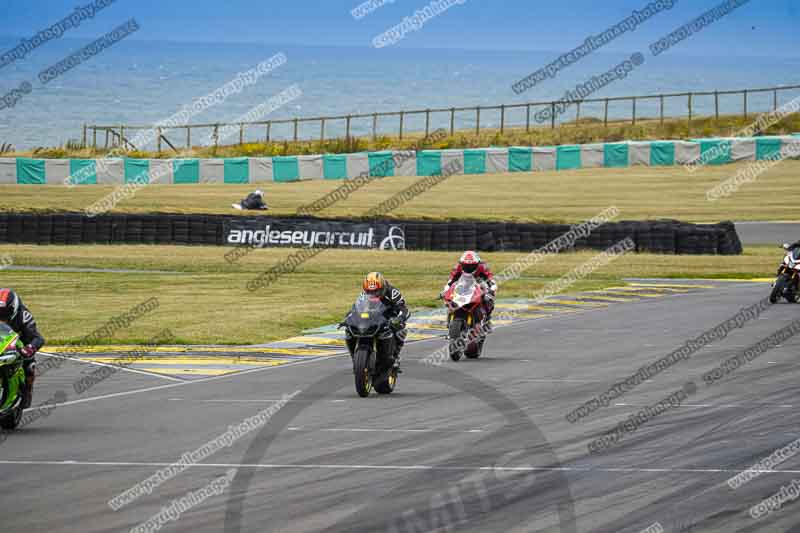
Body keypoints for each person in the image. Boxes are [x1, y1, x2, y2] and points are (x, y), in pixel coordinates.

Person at [344, 272, 409, 370]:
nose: (372, 294)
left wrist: (399, 318)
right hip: (374, 317)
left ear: (382, 287)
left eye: (376, 291)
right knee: (348, 330)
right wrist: (348, 317)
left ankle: (395, 356)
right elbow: (355, 309)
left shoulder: (393, 292)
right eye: (369, 291)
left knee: (400, 328)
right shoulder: (363, 295)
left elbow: (404, 309)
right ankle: (355, 357)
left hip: (389, 316)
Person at [0, 289, 44, 408]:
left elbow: (38, 338)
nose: (1, 316)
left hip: (19, 342)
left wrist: (28, 349)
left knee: (29, 366)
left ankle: (27, 392)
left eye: (4, 313)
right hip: (1, 341)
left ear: (13, 309)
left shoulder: (24, 316)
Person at [441, 250, 497, 330]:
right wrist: (446, 290)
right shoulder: (458, 267)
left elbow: (491, 280)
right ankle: (449, 319)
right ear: (462, 264)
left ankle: (487, 319)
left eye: (472, 266)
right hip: (463, 284)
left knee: (488, 299)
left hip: (479, 284)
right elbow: (450, 281)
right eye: (466, 265)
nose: (469, 268)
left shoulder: (482, 267)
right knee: (450, 298)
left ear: (477, 264)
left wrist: (491, 289)